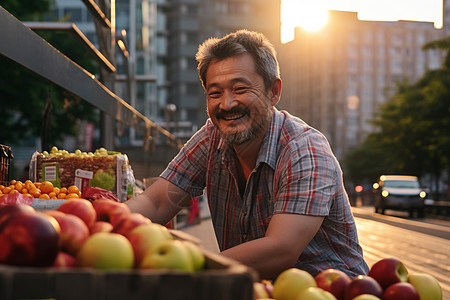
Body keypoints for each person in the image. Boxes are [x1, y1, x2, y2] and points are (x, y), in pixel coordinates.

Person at [126, 29, 369, 279]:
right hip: (256, 288)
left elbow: (280, 249)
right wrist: (105, 222)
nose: (227, 104)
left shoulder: (305, 149)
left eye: (240, 89)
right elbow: (157, 201)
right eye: (215, 93)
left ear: (273, 92)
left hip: (330, 292)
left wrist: (190, 265)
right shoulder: (212, 137)